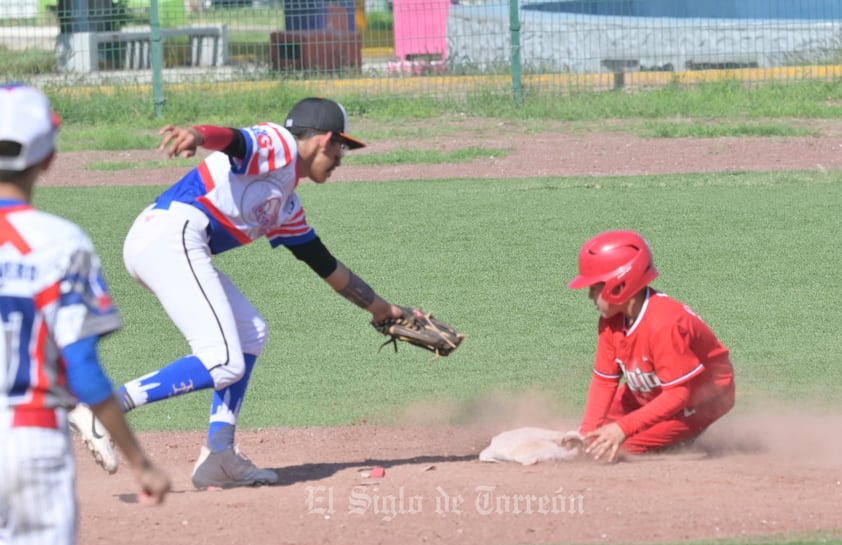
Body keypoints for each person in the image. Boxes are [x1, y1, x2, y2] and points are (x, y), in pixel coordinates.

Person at [81, 97, 407, 489]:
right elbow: (236, 141)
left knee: (251, 332)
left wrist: (383, 309)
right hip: (171, 234)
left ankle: (219, 454)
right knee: (223, 361)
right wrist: (199, 134)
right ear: (325, 140)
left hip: (169, 242)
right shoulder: (280, 144)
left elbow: (324, 263)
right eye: (342, 147)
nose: (341, 158)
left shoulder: (286, 203)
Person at [0, 83, 171, 545]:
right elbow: (83, 370)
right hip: (30, 440)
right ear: (49, 158)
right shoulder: (62, 241)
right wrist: (139, 462)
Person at [567, 229, 735, 463]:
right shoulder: (610, 323)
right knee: (595, 440)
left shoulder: (664, 323)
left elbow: (679, 394)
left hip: (702, 398)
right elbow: (604, 381)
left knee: (623, 446)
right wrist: (587, 432)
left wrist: (622, 429)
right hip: (654, 389)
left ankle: (678, 448)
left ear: (619, 284)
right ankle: (654, 438)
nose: (590, 296)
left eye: (595, 287)